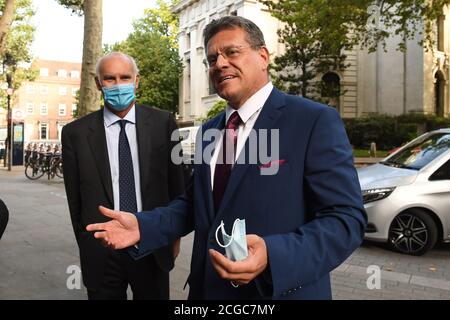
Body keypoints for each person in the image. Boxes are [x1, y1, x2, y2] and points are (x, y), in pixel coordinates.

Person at [87, 17, 367, 300]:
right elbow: (196, 204)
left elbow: (345, 220)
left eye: (232, 52)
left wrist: (274, 254)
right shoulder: (211, 130)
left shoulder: (313, 121)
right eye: (212, 59)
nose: (219, 64)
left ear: (263, 57)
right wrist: (144, 225)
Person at [62, 52, 184, 300]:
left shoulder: (164, 123)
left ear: (136, 81)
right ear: (98, 83)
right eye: (110, 78)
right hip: (101, 250)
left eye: (125, 77)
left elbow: (177, 184)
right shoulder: (75, 133)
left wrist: (173, 234)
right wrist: (87, 242)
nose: (118, 85)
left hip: (150, 242)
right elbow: (74, 199)